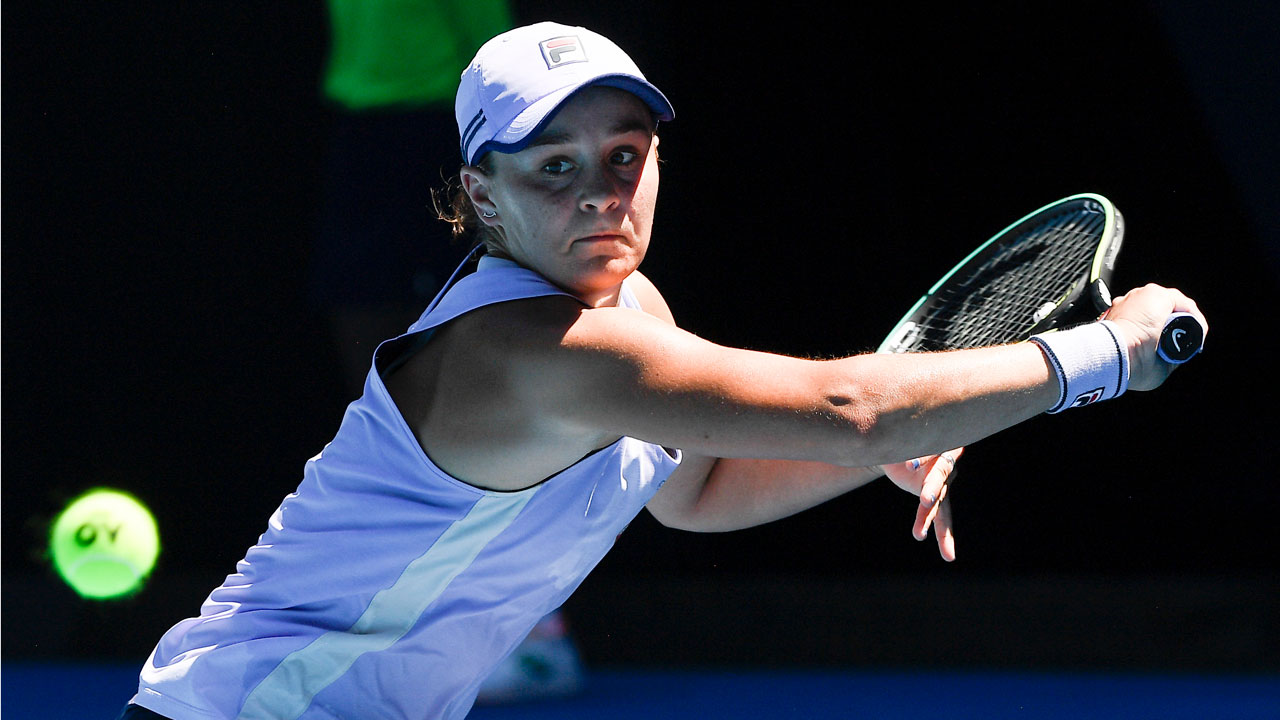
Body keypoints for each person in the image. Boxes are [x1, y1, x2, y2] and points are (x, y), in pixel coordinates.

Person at [117, 21, 1206, 720]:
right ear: (482, 197)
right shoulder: (534, 352)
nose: (600, 192)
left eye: (623, 157)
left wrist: (880, 447)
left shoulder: (630, 312)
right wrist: (1106, 353)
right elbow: (853, 407)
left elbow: (700, 489)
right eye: (553, 168)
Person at [313, 1, 585, 702]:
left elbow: (495, 46)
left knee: (489, 345)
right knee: (379, 374)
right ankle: (407, 619)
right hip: (363, 127)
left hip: (449, 123)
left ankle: (531, 630)